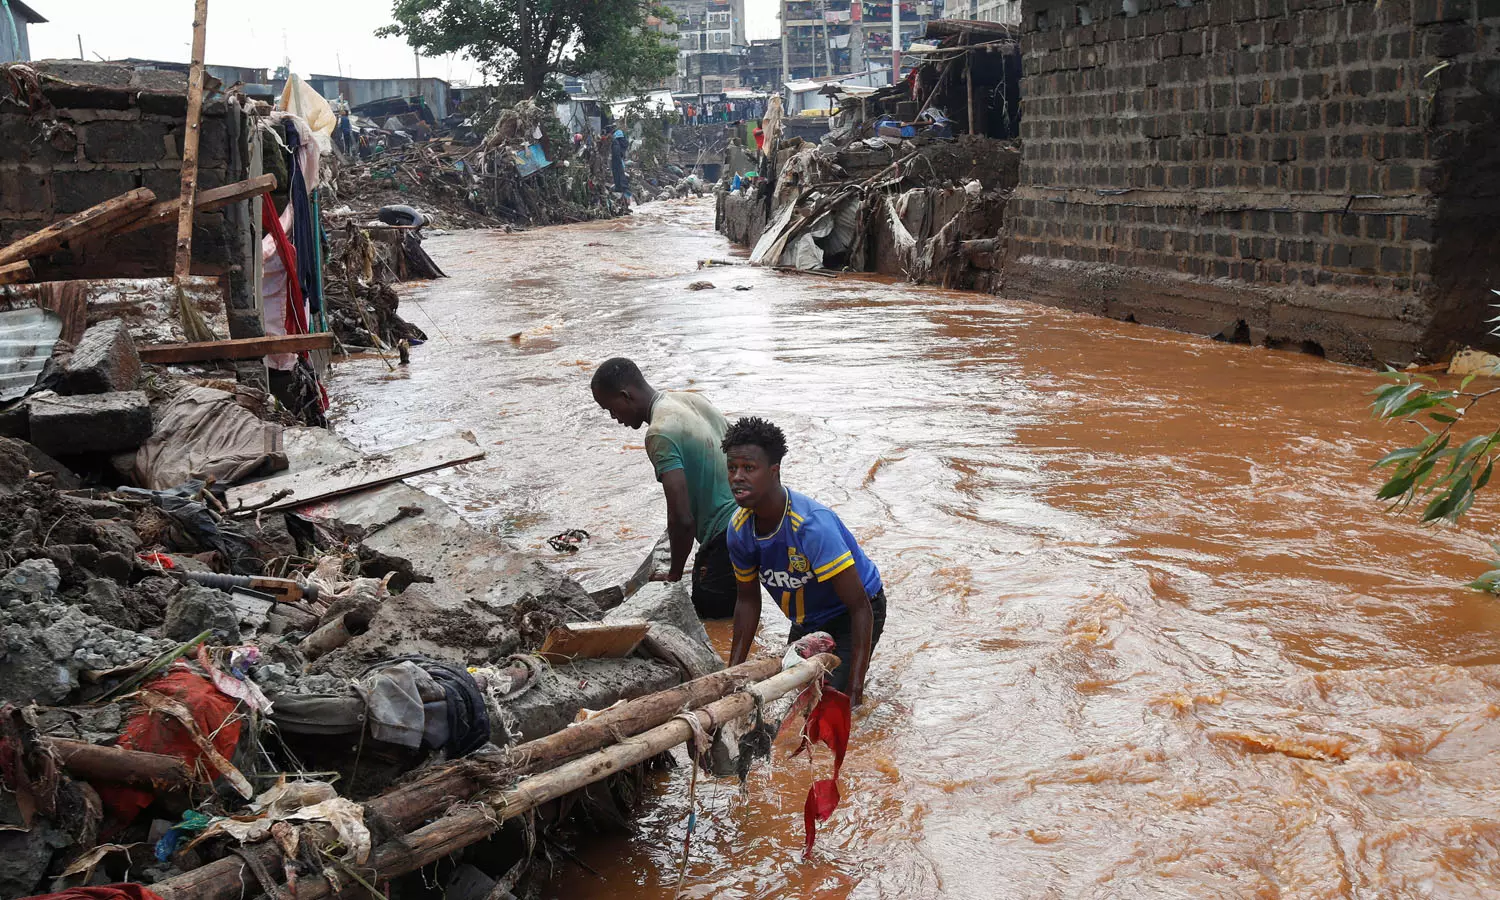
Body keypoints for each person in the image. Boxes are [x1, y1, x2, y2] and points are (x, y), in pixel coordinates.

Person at [723, 417, 885, 706]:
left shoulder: (811, 526)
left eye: (749, 468)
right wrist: (732, 676)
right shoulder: (739, 529)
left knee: (835, 702)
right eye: (732, 468)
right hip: (807, 619)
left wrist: (855, 691)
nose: (737, 477)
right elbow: (747, 601)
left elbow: (860, 606)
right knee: (795, 698)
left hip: (854, 612)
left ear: (774, 471)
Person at [591, 358, 739, 618]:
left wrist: (674, 574)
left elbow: (681, 518)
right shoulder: (691, 400)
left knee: (712, 620)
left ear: (625, 396)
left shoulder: (659, 433)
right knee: (742, 605)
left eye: (610, 409)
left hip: (723, 537)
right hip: (750, 521)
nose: (614, 418)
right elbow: (740, 450)